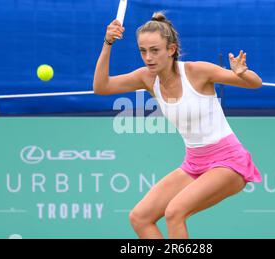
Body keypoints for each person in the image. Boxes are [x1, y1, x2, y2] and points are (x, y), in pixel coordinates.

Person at [93, 12, 263, 239]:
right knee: (140, 217)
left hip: (228, 162)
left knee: (175, 212)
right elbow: (101, 87)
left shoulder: (197, 71)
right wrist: (108, 43)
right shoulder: (147, 78)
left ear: (171, 50)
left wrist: (242, 73)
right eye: (143, 51)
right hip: (194, 163)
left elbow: (255, 84)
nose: (148, 57)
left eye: (155, 50)